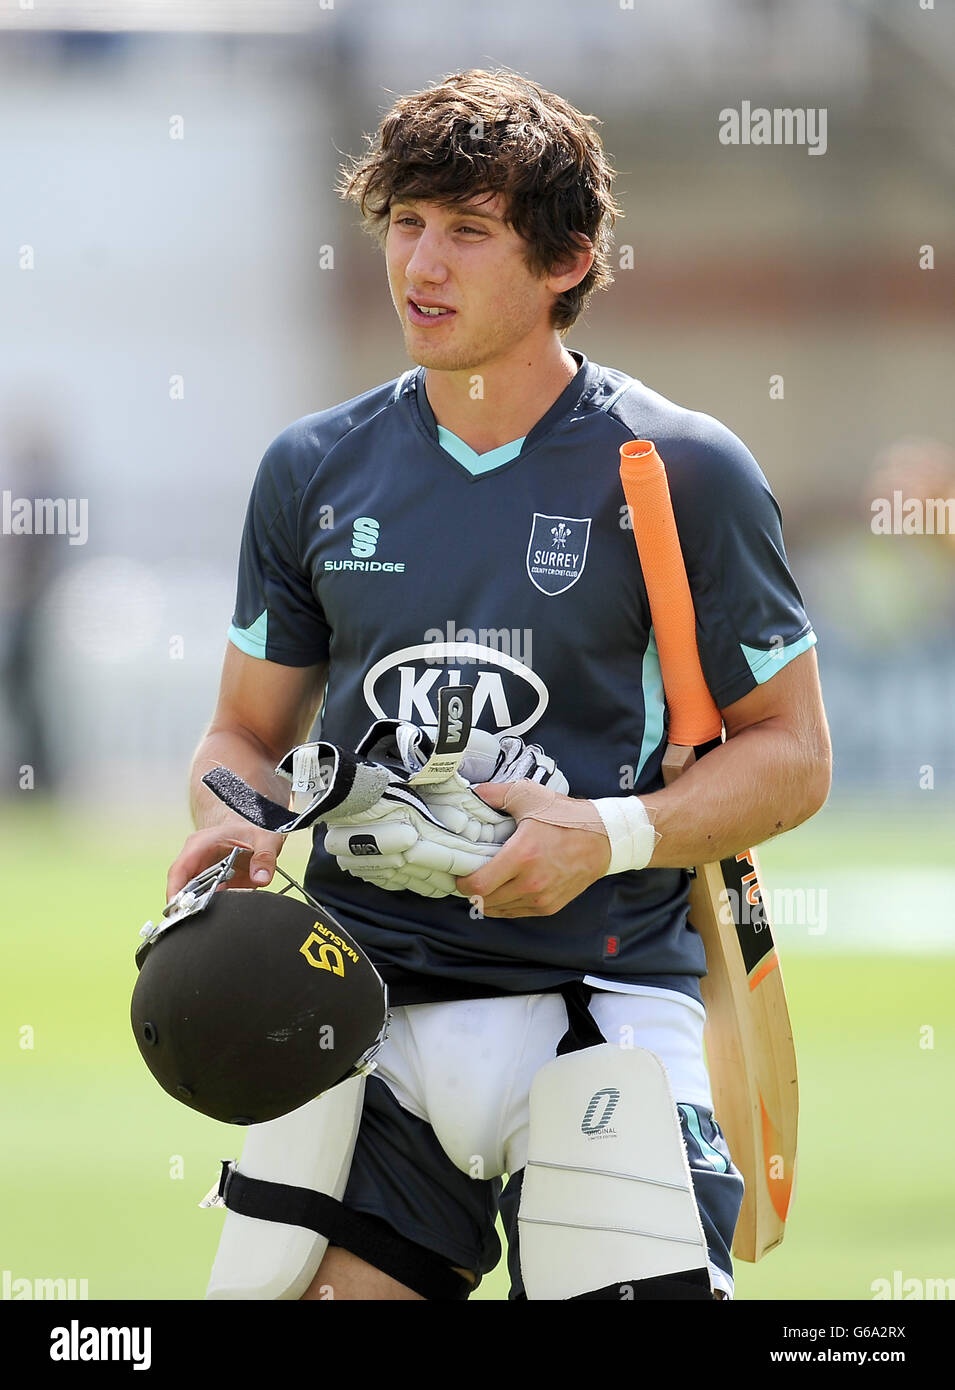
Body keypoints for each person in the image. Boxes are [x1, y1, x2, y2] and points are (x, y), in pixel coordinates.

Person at [167, 68, 831, 1301]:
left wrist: (605, 835)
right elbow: (244, 731)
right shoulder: (311, 469)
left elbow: (791, 757)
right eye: (405, 223)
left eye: (468, 232)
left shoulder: (682, 469)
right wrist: (234, 823)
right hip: (357, 1010)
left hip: (603, 1004)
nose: (422, 264)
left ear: (567, 262)